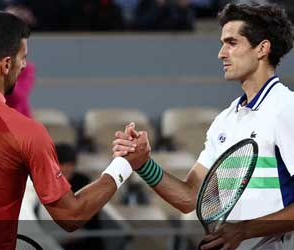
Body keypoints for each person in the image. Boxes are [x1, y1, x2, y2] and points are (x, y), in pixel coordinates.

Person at [0, 11, 150, 249]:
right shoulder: (27, 132)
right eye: (23, 57)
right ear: (6, 64)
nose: (24, 65)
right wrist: (124, 164)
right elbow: (70, 216)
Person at [113, 3, 294, 250]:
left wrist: (244, 230)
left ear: (262, 48)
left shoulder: (286, 109)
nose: (221, 53)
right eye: (222, 43)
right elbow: (190, 198)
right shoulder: (225, 121)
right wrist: (143, 164)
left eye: (232, 43)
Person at [55, 143, 105, 250]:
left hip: (84, 238)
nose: (66, 169)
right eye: (62, 165)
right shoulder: (47, 183)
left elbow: (89, 219)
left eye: (70, 165)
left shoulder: (83, 181)